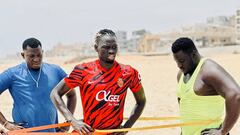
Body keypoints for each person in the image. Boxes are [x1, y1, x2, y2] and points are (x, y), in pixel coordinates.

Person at [51, 29, 146, 135]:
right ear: (96, 48)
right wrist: (72, 121)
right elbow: (55, 94)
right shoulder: (83, 70)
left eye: (114, 47)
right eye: (106, 47)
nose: (111, 51)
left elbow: (141, 101)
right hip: (90, 132)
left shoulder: (129, 72)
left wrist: (126, 127)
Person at [0, 38, 76, 132]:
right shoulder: (12, 74)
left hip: (51, 132)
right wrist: (5, 123)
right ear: (23, 55)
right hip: (24, 133)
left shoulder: (55, 71)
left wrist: (68, 123)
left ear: (42, 52)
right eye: (31, 56)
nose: (36, 59)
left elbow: (72, 95)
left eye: (39, 55)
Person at [171, 37, 240, 135]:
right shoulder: (181, 74)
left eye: (182, 61)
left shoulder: (208, 70)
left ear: (193, 55)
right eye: (176, 61)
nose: (179, 65)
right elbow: (184, 105)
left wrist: (223, 131)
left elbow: (235, 94)